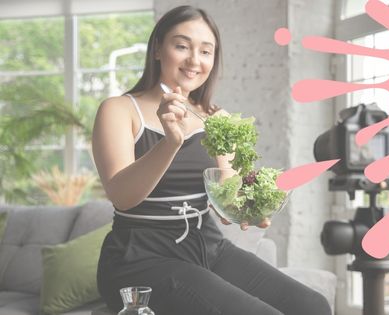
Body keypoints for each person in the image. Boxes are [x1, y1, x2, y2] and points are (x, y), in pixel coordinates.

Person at [93, 5, 331, 315]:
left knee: (312, 306)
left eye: (206, 51)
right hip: (139, 258)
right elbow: (122, 197)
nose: (195, 60)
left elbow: (225, 201)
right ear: (157, 49)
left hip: (207, 245)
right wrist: (171, 142)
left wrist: (248, 209)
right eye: (181, 46)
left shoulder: (218, 118)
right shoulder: (119, 110)